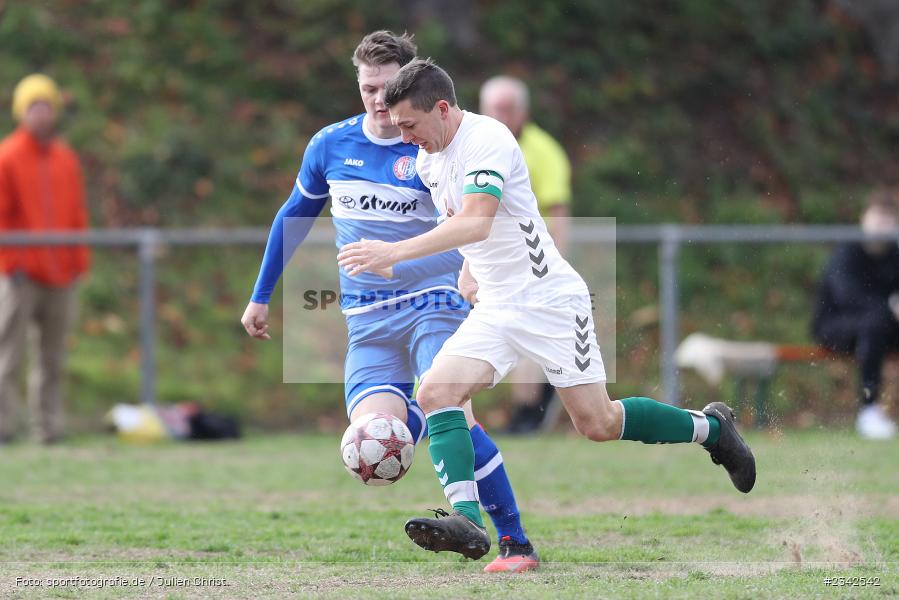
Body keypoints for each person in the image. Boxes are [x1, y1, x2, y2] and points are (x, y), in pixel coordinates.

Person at [337, 58, 756, 560]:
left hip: (549, 302)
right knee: (436, 392)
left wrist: (393, 252)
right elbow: (468, 230)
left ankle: (711, 428)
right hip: (496, 306)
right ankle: (467, 521)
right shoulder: (429, 159)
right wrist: (470, 272)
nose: (404, 138)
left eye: (409, 125)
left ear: (442, 109)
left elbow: (476, 222)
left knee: (597, 423)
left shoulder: (486, 140)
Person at [240, 31, 539, 572]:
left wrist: (463, 266)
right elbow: (293, 218)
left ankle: (507, 538)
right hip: (368, 321)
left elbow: (470, 219)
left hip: (435, 304)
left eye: (386, 88)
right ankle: (464, 493)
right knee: (375, 436)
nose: (377, 101)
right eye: (367, 88)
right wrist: (261, 296)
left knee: (448, 403)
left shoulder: (429, 144)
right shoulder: (330, 145)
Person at [0, 74, 90, 445]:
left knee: (51, 358)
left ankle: (48, 427)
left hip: (60, 274)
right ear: (22, 112)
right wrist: (12, 262)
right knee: (9, 356)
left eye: (47, 106)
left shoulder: (65, 159)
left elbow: (76, 215)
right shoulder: (7, 156)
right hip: (21, 274)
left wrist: (77, 262)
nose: (41, 114)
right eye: (34, 107)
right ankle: (5, 426)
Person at [479, 75, 572, 433]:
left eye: (508, 109)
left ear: (524, 112)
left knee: (526, 339)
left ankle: (527, 413)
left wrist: (552, 268)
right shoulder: (472, 144)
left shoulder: (543, 151)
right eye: (495, 109)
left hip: (529, 264)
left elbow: (557, 213)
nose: (501, 116)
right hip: (487, 263)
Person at [812, 190, 899, 439]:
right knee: (874, 323)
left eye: (888, 220)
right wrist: (890, 307)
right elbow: (848, 296)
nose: (882, 226)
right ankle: (869, 410)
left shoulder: (895, 254)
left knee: (877, 324)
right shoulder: (847, 252)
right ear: (865, 220)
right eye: (878, 219)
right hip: (835, 327)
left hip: (882, 329)